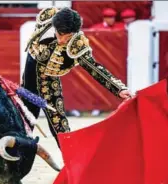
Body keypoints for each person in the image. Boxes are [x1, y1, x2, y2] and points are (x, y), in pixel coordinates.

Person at [22, 7, 132, 147]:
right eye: (60, 34)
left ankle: (72, 162)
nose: (62, 40)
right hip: (29, 75)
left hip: (49, 83)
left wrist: (118, 88)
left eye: (67, 37)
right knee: (24, 119)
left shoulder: (77, 43)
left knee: (59, 125)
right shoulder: (47, 17)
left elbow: (94, 68)